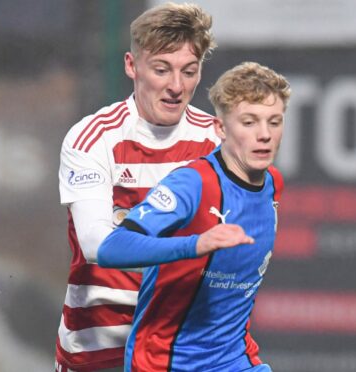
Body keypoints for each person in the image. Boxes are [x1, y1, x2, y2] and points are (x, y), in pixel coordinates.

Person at [98, 62, 291, 372]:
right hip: (165, 362)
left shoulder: (273, 184)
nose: (264, 135)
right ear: (221, 129)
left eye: (274, 121)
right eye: (249, 122)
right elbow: (112, 248)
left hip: (235, 361)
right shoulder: (192, 184)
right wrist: (195, 244)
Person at [56, 3, 219, 371]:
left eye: (188, 71)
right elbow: (97, 246)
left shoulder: (217, 143)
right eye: (162, 70)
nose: (176, 86)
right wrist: (194, 246)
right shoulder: (93, 138)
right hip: (100, 349)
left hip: (184, 349)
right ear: (132, 66)